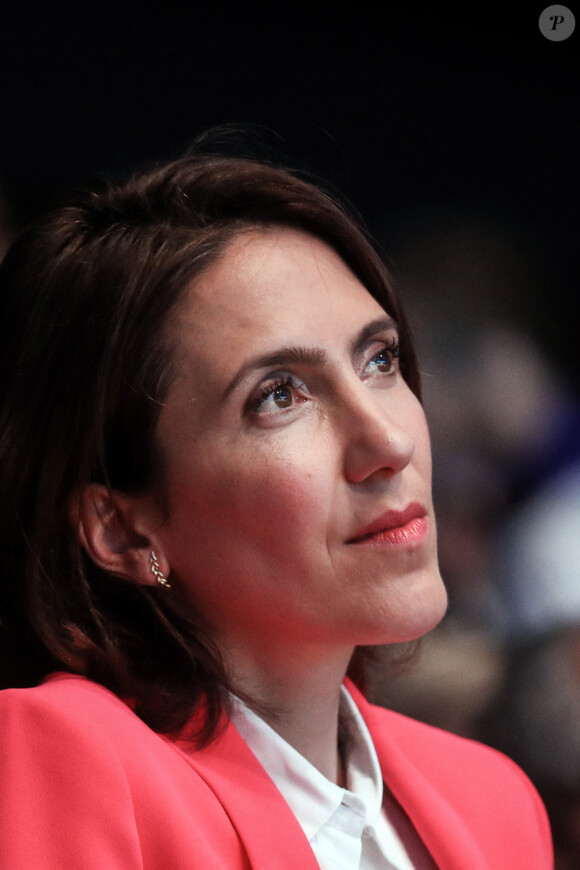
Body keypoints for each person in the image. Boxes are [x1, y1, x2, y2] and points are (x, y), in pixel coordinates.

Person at [0, 149, 553, 869]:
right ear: (121, 528)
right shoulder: (63, 754)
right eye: (279, 396)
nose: (387, 441)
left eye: (379, 360)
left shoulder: (492, 797)